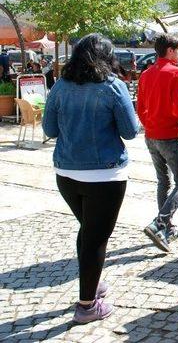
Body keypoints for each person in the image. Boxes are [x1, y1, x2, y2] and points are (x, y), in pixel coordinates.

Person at [42, 34, 138, 324]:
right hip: (105, 174)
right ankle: (87, 305)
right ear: (107, 58)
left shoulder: (60, 86)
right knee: (96, 237)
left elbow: (50, 129)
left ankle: (91, 284)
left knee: (88, 231)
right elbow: (130, 131)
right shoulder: (113, 87)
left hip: (67, 173)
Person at [137, 33, 178, 252]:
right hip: (170, 134)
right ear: (170, 51)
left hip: (151, 134)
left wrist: (149, 124)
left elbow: (140, 106)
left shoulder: (146, 74)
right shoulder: (176, 73)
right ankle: (160, 222)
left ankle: (165, 227)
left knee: (163, 181)